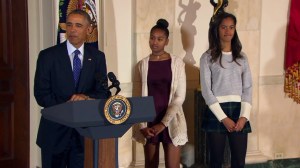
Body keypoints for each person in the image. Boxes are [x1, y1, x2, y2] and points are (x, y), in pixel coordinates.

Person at [34, 9, 109, 168]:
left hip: (84, 135)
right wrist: (70, 107)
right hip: (54, 134)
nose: (72, 29)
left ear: (89, 30)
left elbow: (103, 92)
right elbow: (41, 94)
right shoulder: (48, 56)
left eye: (78, 25)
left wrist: (86, 98)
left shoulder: (97, 57)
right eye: (69, 25)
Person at [132, 19, 188, 168]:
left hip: (171, 119)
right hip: (149, 120)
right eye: (152, 38)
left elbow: (179, 96)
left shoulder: (177, 63)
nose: (154, 42)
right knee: (150, 165)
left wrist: (163, 124)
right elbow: (138, 97)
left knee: (172, 166)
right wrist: (142, 125)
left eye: (159, 39)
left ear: (167, 41)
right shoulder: (142, 64)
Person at [200, 12, 252, 168]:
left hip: (239, 111)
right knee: (215, 162)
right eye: (223, 27)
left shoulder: (242, 57)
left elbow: (248, 87)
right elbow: (206, 91)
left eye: (231, 27)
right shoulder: (207, 57)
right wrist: (223, 118)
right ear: (216, 29)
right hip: (216, 112)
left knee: (238, 162)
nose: (228, 31)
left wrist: (244, 116)